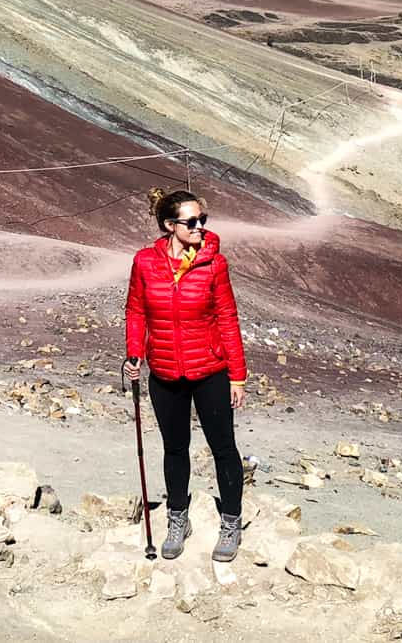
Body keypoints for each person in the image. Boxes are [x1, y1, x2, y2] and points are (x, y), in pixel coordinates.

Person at [122, 187, 249, 561]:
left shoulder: (214, 264)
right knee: (174, 448)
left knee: (223, 447)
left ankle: (231, 522)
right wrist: (134, 353)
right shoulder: (145, 262)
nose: (199, 228)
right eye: (191, 222)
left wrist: (237, 376)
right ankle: (178, 517)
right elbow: (136, 311)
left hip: (210, 370)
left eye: (202, 221)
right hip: (163, 370)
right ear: (169, 225)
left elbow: (228, 318)